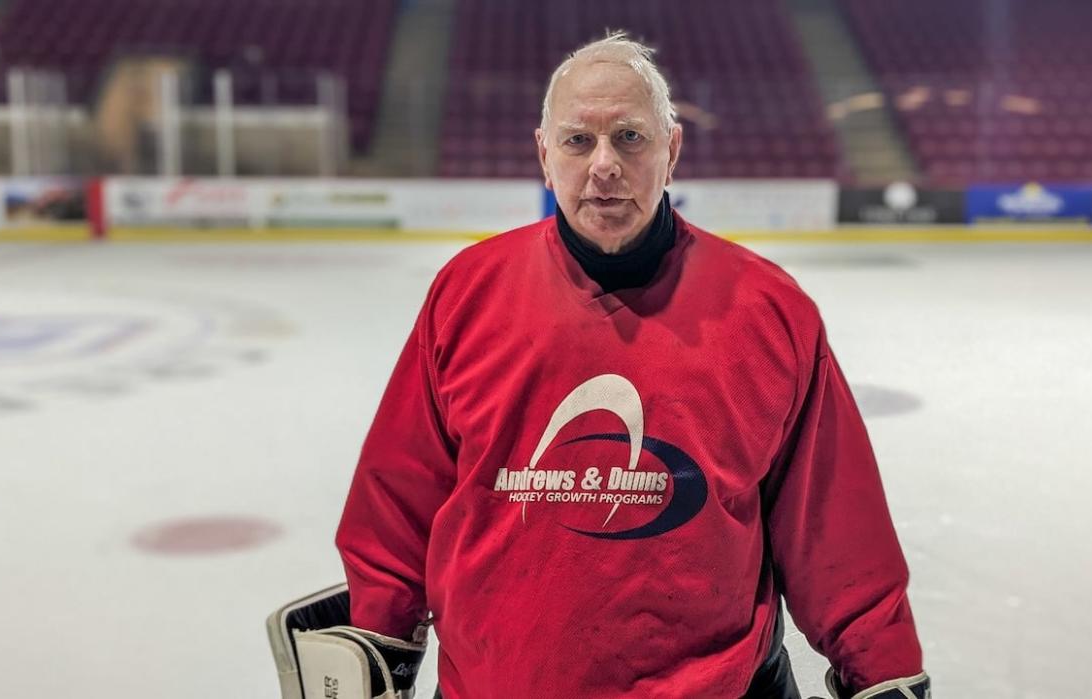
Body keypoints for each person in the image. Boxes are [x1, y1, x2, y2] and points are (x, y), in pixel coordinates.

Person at [335, 32, 928, 699]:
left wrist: (883, 672)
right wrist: (376, 641)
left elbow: (837, 526)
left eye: (630, 138)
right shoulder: (466, 291)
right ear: (544, 154)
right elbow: (396, 500)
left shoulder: (767, 308)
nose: (604, 166)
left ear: (671, 151)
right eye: (578, 141)